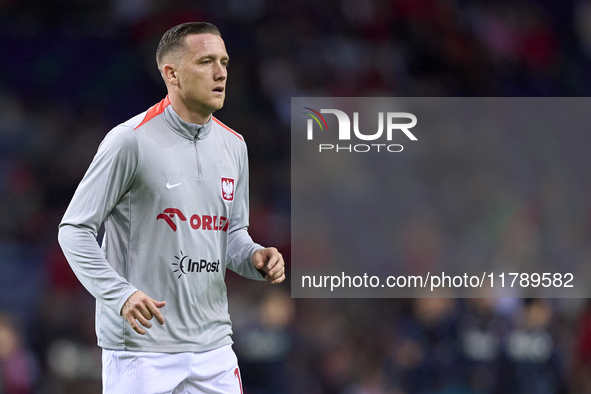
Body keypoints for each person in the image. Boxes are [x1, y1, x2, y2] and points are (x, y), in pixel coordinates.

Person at [58, 22, 285, 393]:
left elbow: (231, 236)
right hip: (141, 348)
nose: (221, 72)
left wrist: (257, 257)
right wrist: (120, 294)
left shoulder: (235, 146)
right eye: (206, 61)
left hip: (214, 346)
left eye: (224, 61)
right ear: (172, 73)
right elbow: (74, 231)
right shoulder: (129, 141)